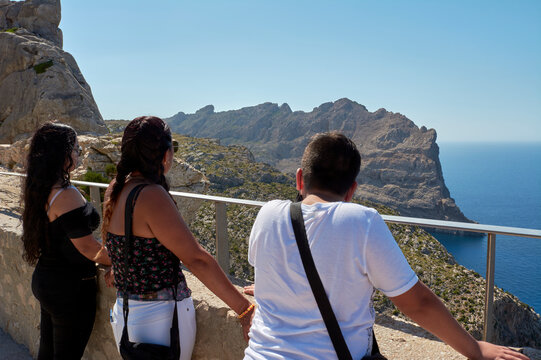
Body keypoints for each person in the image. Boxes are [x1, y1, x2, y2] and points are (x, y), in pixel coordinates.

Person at [243, 132, 529, 360]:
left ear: (299, 178)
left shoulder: (268, 213)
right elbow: (417, 303)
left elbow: (274, 265)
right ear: (352, 189)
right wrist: (475, 349)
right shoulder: (361, 221)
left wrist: (278, 286)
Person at [102, 116, 254, 360]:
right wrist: (244, 309)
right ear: (165, 155)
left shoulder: (116, 188)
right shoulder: (150, 195)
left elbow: (120, 243)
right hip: (161, 319)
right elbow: (196, 259)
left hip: (125, 311)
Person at [21, 122, 112, 359]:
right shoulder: (65, 194)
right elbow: (88, 247)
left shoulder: (40, 187)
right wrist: (119, 259)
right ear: (60, 153)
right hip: (69, 288)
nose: (79, 154)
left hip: (48, 280)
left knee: (48, 353)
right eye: (75, 149)